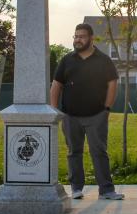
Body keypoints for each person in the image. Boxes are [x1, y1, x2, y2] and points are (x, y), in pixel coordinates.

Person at [50, 23, 123, 200]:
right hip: (70, 116)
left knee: (99, 151)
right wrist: (54, 110)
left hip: (96, 115)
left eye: (81, 36)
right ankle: (76, 188)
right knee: (74, 152)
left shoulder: (104, 60)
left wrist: (106, 108)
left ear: (91, 38)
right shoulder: (67, 60)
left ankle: (106, 190)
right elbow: (56, 85)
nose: (77, 40)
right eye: (75, 36)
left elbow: (112, 83)